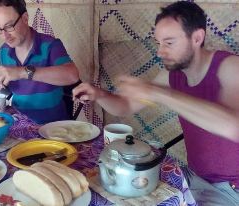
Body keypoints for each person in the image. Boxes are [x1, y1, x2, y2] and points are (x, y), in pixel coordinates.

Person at [73, 1, 239, 205]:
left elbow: (233, 126)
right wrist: (99, 94)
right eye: (158, 43)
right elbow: (125, 107)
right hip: (195, 177)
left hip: (232, 188)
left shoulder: (230, 66)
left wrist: (159, 93)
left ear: (197, 37)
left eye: (169, 43)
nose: (160, 52)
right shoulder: (172, 75)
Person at [0, 0, 79, 124]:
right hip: (19, 123)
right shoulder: (4, 51)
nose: (5, 36)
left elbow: (72, 75)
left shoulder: (50, 45)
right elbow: (10, 92)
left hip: (53, 128)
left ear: (25, 18)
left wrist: (22, 72)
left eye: (9, 26)